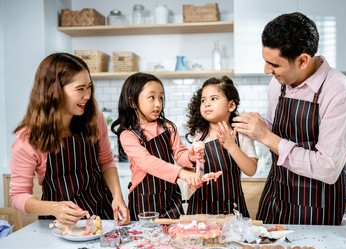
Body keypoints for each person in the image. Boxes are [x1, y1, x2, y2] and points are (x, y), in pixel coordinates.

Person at [232, 12, 346, 225]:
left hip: (317, 206)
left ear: (302, 60)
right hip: (275, 197)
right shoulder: (277, 83)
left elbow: (327, 167)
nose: (266, 70)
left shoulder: (340, 92)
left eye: (274, 64)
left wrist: (265, 136)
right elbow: (277, 126)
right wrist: (255, 125)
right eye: (265, 61)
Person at [9, 52, 130, 226]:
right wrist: (54, 208)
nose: (88, 95)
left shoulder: (95, 119)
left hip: (101, 216)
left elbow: (106, 162)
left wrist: (118, 197)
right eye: (80, 89)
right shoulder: (28, 138)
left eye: (89, 87)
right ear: (55, 92)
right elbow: (18, 195)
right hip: (59, 223)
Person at [111, 72, 204, 220]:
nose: (158, 103)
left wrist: (190, 156)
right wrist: (182, 173)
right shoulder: (128, 135)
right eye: (152, 97)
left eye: (161, 97)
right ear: (132, 102)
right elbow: (148, 163)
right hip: (144, 202)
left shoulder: (167, 127)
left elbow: (179, 154)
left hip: (171, 198)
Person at [185, 76, 258, 217]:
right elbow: (193, 171)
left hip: (233, 207)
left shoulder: (240, 134)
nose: (207, 104)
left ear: (231, 105)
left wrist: (231, 146)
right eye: (203, 100)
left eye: (213, 99)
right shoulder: (199, 135)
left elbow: (251, 170)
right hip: (201, 206)